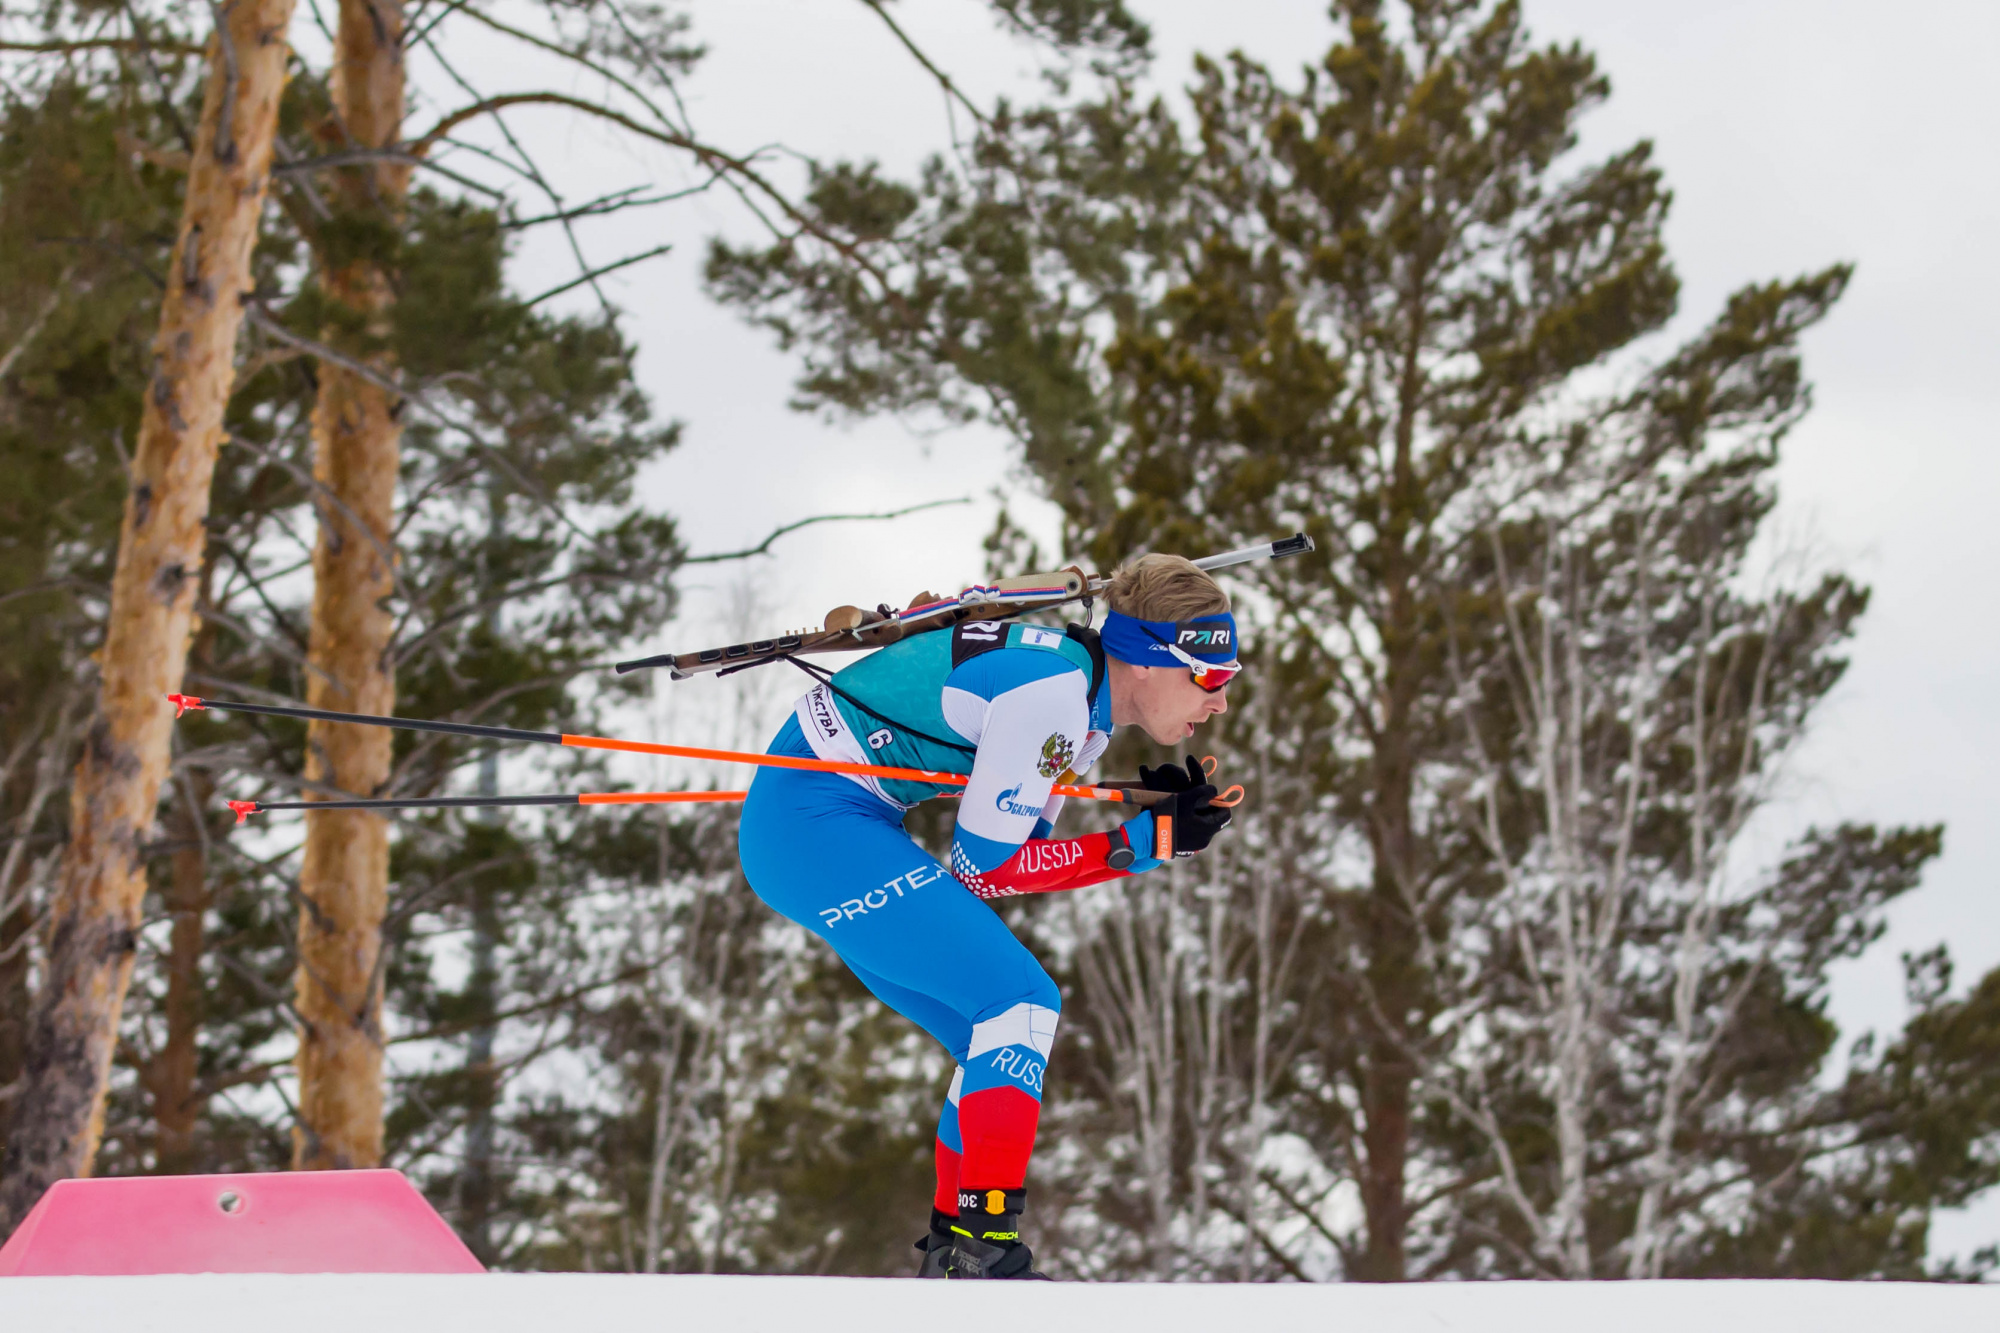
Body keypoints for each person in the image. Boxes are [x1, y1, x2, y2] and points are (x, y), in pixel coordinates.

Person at [736, 553, 1241, 1279]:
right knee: (1022, 999)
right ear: (1149, 660)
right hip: (815, 825)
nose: (1219, 701)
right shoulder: (1056, 697)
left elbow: (1020, 851)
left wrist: (1150, 838)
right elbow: (985, 869)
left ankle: (954, 1245)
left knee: (992, 1026)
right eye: (1210, 677)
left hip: (822, 828)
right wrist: (1139, 843)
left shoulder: (1083, 711)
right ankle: (983, 1240)